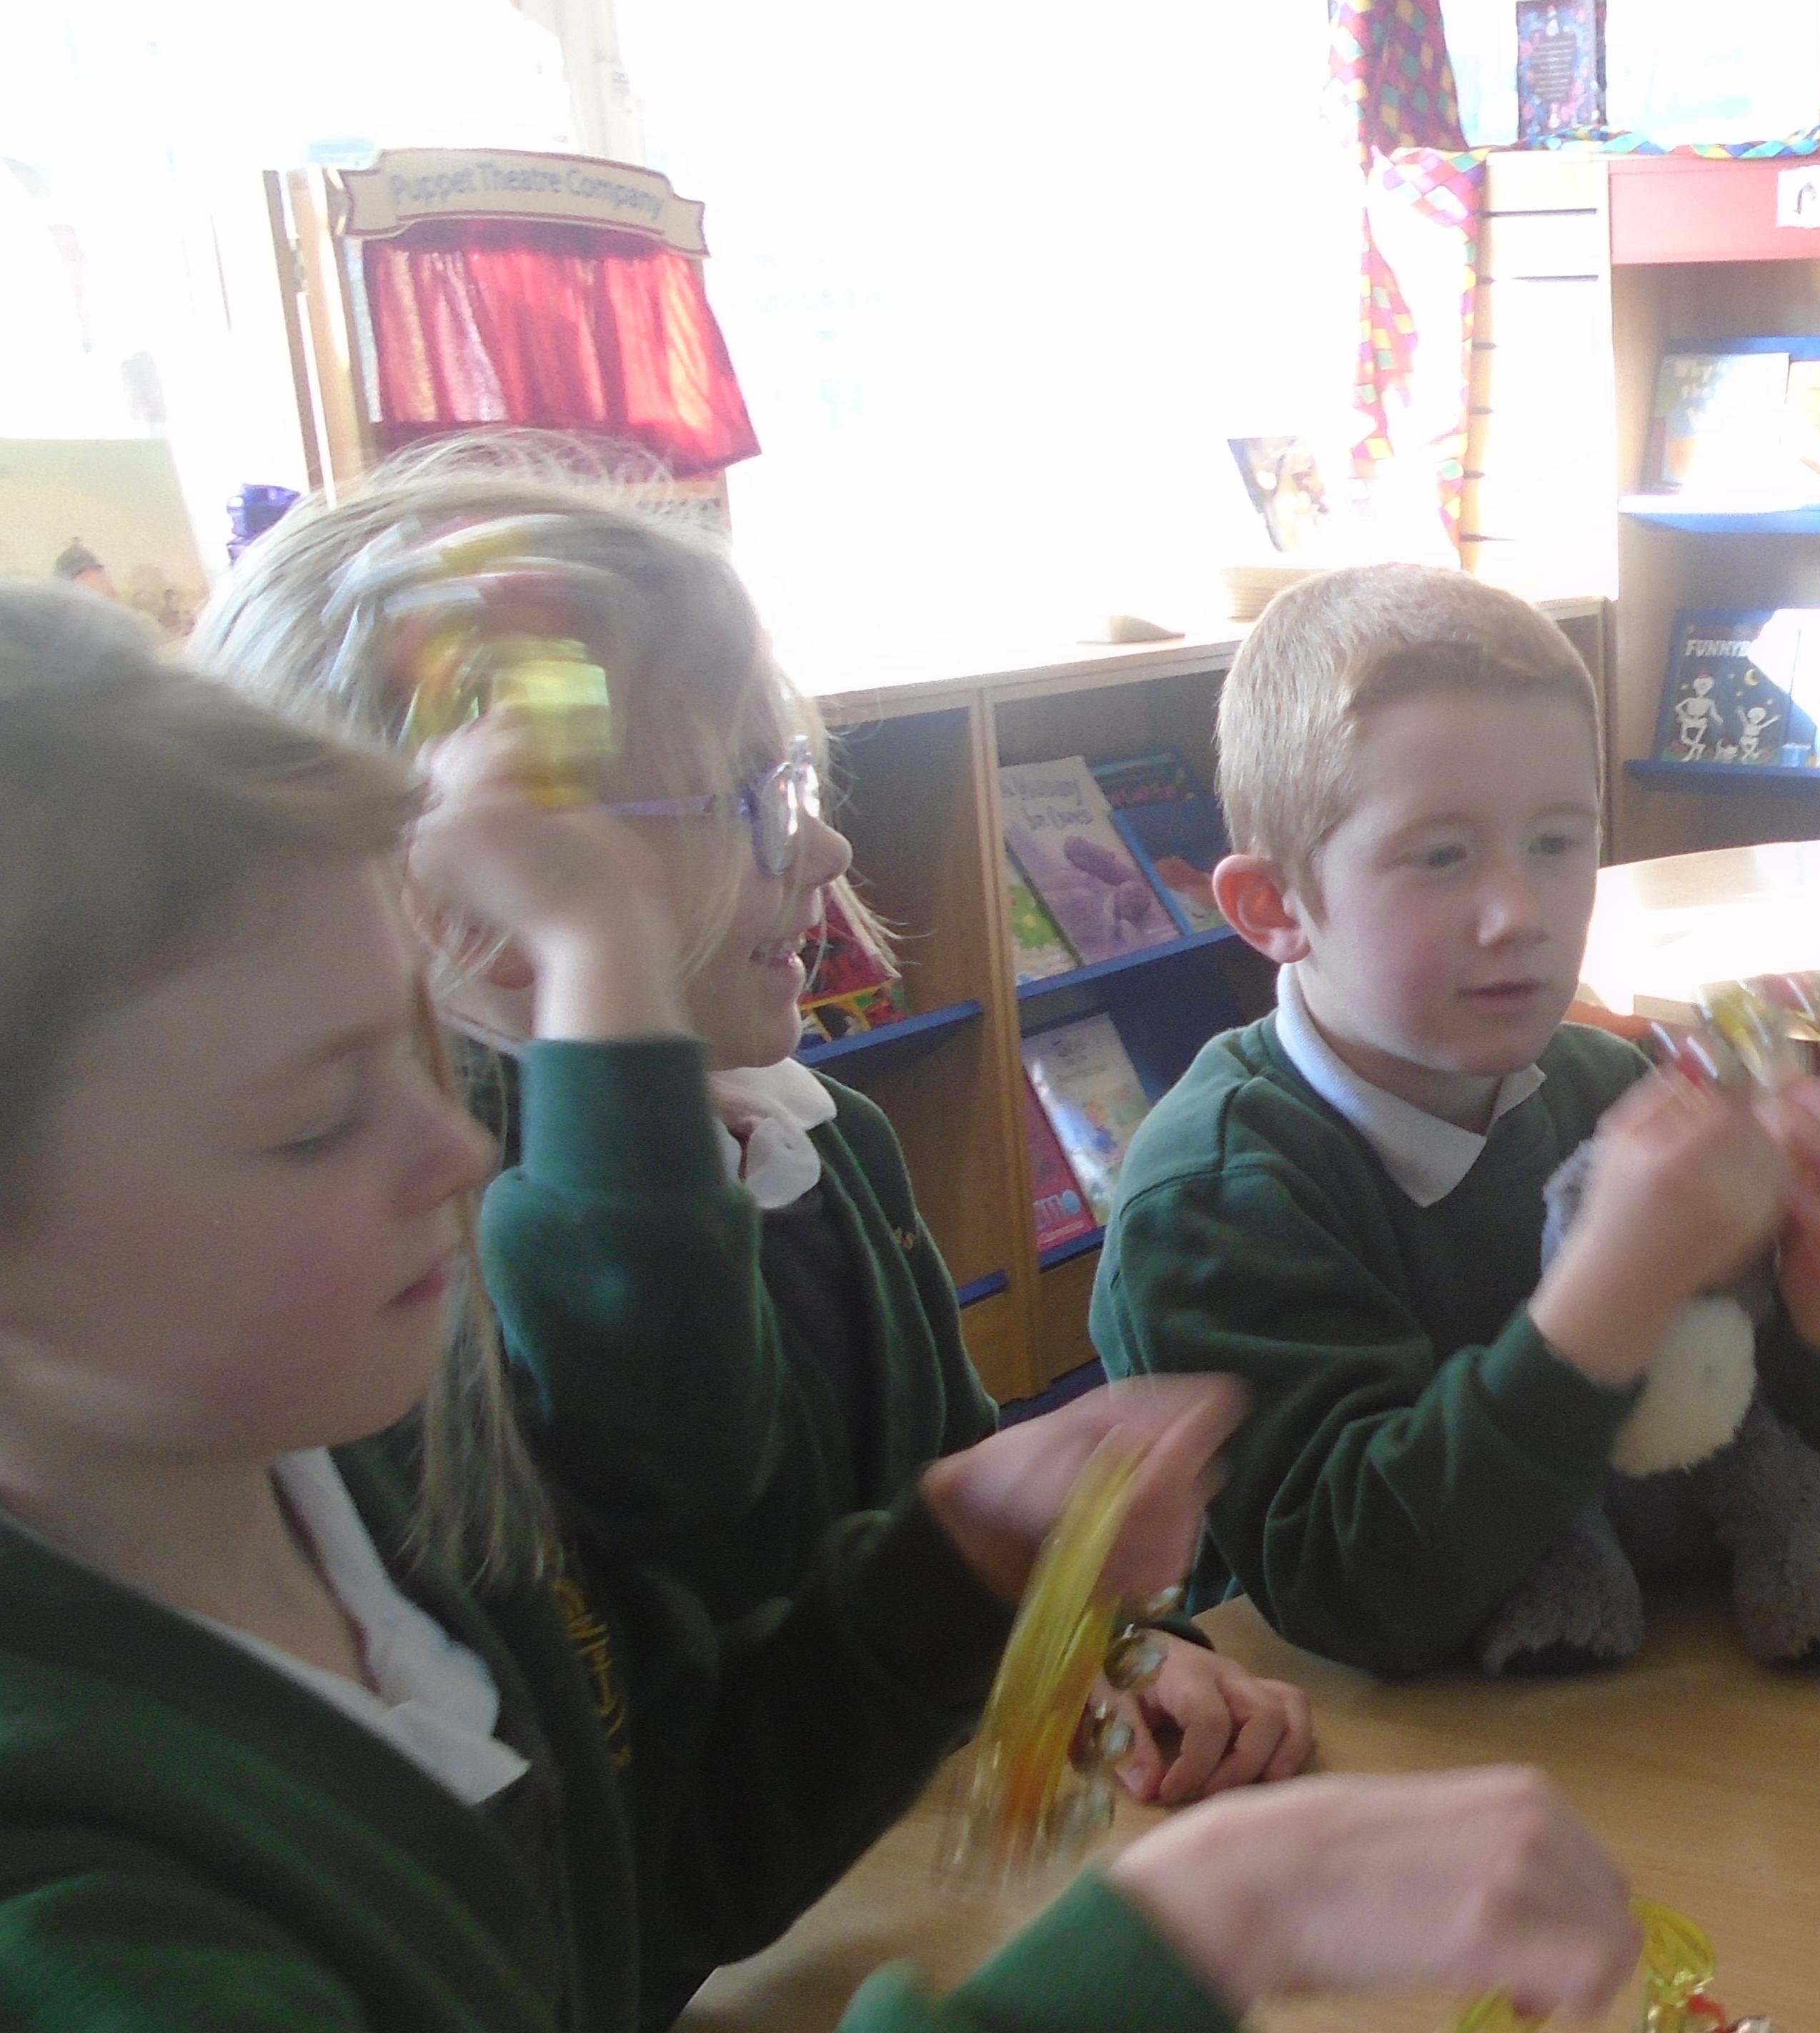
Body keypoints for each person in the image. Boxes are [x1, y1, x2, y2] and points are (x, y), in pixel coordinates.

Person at [0, 597, 1641, 2033]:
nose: (451, 1146)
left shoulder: (364, 1477)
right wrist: (1188, 1940)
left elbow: (647, 1878)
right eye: (314, 1113)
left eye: (412, 1062)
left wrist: (951, 1578)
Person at [194, 459, 1305, 1799]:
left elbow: (958, 1502)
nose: (825, 854)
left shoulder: (819, 1136)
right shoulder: (428, 1219)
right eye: (752, 802)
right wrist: (603, 949)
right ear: (480, 874)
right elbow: (668, 1453)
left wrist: (1109, 1645)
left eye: (796, 785)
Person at [1088, 565, 1820, 1677]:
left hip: (1643, 1710)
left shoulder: (1611, 1086)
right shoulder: (1219, 1191)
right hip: (1358, 1751)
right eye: (1441, 856)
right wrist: (1612, 1291)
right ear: (1276, 907)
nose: (1519, 913)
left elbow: (1801, 1444)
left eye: (1558, 842)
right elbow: (1354, 1588)